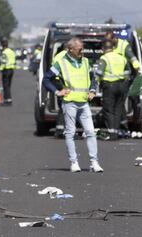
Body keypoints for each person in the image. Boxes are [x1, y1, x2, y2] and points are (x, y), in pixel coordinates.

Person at [42, 37, 103, 173]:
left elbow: (93, 79)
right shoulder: (61, 63)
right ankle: (74, 162)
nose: (82, 51)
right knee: (70, 133)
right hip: (69, 103)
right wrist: (57, 92)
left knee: (91, 132)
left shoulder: (86, 62)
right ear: (70, 49)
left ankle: (94, 162)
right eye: (80, 49)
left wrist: (92, 90)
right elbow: (46, 79)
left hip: (84, 103)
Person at [105, 31, 142, 139]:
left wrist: (139, 70)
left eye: (109, 41)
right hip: (112, 80)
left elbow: (132, 59)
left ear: (114, 39)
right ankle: (119, 127)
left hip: (124, 79)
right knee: (117, 105)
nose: (108, 43)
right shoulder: (110, 47)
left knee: (120, 104)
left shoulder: (123, 45)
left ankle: (123, 127)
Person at [95, 40, 130, 140]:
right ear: (113, 48)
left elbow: (100, 73)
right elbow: (128, 71)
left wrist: (95, 84)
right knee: (118, 109)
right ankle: (116, 131)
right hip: (121, 85)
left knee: (108, 110)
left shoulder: (104, 58)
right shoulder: (122, 58)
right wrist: (125, 82)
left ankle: (111, 133)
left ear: (103, 49)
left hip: (109, 86)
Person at [0, 38, 16, 106]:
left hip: (6, 70)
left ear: (2, 45)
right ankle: (8, 99)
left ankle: (7, 100)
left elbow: (3, 62)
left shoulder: (4, 52)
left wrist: (0, 68)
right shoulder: (11, 51)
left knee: (5, 86)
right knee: (8, 85)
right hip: (11, 70)